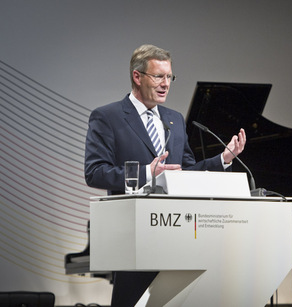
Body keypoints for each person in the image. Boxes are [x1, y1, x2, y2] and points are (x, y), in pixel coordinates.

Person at [84, 44, 246, 306]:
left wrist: (222, 159)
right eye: (158, 76)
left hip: (179, 239)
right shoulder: (108, 117)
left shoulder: (174, 119)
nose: (166, 84)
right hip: (134, 239)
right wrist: (147, 172)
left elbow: (186, 173)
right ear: (137, 77)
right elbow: (94, 172)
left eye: (169, 77)